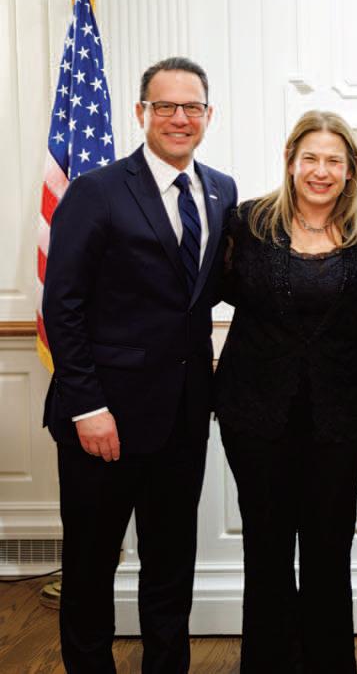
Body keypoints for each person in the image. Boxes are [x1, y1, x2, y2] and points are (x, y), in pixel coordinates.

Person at [42, 57, 237, 673]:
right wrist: (88, 406)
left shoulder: (220, 190)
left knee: (171, 566)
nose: (179, 118)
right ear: (140, 113)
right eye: (165, 106)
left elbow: (210, 287)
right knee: (93, 567)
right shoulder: (97, 190)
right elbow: (63, 306)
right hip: (104, 421)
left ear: (208, 115)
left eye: (192, 107)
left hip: (183, 417)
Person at [215, 110, 357, 673]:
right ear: (290, 162)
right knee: (265, 549)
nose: (321, 170)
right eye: (309, 157)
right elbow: (197, 292)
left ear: (350, 168)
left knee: (328, 550)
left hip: (340, 412)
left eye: (334, 160)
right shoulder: (245, 223)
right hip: (255, 410)